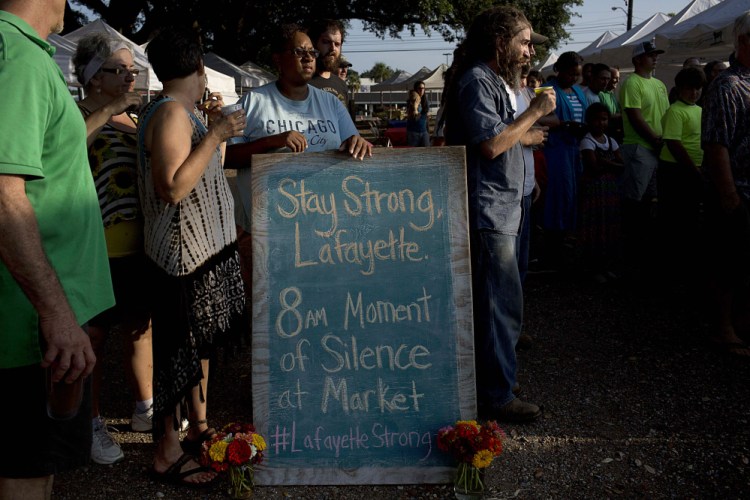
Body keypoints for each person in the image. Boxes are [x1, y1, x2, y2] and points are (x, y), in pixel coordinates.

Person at [0, 1, 114, 498]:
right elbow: (4, 195)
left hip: (37, 320)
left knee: (36, 465)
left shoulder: (25, 53)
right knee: (26, 470)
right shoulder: (18, 58)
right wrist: (56, 312)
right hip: (29, 327)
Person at [138, 26, 248, 487]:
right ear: (200, 68)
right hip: (178, 260)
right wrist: (217, 132)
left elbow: (204, 176)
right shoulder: (168, 113)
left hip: (199, 256)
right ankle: (165, 452)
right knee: (174, 354)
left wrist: (214, 135)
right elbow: (173, 187)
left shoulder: (183, 113)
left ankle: (198, 430)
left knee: (194, 349)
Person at [443, 5, 555, 423]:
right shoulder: (476, 80)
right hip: (489, 210)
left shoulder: (493, 81)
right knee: (497, 307)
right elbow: (490, 145)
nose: (529, 52)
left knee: (501, 304)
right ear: (499, 42)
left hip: (505, 206)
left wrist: (526, 133)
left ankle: (497, 378)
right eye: (524, 42)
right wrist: (535, 113)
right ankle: (496, 394)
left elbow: (501, 139)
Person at [225, 24, 372, 305]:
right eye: (299, 51)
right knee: (276, 310)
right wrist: (271, 142)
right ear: (278, 59)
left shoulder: (330, 104)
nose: (308, 58)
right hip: (270, 236)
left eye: (311, 52)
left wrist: (358, 143)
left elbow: (354, 141)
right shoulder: (254, 102)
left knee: (323, 305)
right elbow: (227, 157)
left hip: (326, 233)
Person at [72, 33, 152, 466]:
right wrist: (106, 112)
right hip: (91, 248)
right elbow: (64, 155)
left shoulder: (134, 118)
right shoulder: (73, 114)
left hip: (137, 243)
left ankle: (145, 409)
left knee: (140, 326)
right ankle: (91, 421)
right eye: (118, 70)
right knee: (93, 339)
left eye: (131, 70)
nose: (128, 77)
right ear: (91, 77)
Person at [701, 10, 750, 358]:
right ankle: (723, 329)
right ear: (743, 41)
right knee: (729, 262)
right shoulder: (727, 84)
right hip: (739, 191)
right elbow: (716, 145)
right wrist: (730, 198)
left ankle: (742, 323)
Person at [619, 41, 669, 281]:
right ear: (638, 60)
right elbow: (635, 117)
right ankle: (630, 255)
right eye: (650, 55)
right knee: (635, 202)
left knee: (651, 200)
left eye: (655, 55)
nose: (655, 59)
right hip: (640, 147)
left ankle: (645, 251)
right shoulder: (631, 82)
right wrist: (657, 141)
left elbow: (665, 114)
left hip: (657, 147)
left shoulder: (659, 84)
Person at [538, 51, 588, 270]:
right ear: (560, 70)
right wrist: (562, 123)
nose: (574, 78)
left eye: (577, 75)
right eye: (570, 74)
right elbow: (535, 116)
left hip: (574, 150)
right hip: (555, 151)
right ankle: (551, 252)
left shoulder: (578, 91)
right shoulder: (546, 89)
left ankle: (566, 246)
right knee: (557, 198)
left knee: (571, 198)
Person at [658, 67, 706, 279]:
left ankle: (686, 265)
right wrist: (694, 170)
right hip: (676, 171)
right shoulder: (675, 110)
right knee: (675, 219)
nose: (694, 93)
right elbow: (674, 143)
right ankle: (672, 268)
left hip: (694, 170)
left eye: (697, 88)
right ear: (679, 90)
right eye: (689, 89)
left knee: (690, 218)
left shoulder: (700, 110)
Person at [578, 102, 624, 283]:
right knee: (595, 228)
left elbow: (622, 166)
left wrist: (606, 163)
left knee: (609, 227)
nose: (601, 123)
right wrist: (610, 164)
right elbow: (594, 167)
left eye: (604, 119)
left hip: (609, 192)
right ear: (589, 121)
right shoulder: (586, 142)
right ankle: (593, 268)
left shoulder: (610, 140)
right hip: (594, 192)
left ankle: (607, 265)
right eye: (596, 120)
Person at [308, 19, 349, 104]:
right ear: (314, 43)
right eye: (326, 42)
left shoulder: (342, 85)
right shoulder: (302, 83)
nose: (333, 48)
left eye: (337, 44)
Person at [599, 66, 623, 143]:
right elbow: (604, 116)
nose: (618, 81)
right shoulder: (600, 94)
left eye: (619, 78)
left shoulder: (612, 94)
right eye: (615, 78)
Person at [406, 81, 430, 147]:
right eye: (419, 88)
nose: (422, 90)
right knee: (413, 155)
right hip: (413, 132)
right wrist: (415, 104)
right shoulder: (412, 100)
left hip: (424, 131)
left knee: (427, 153)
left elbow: (426, 117)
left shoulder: (425, 100)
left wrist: (428, 131)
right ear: (416, 89)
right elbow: (414, 117)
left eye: (423, 88)